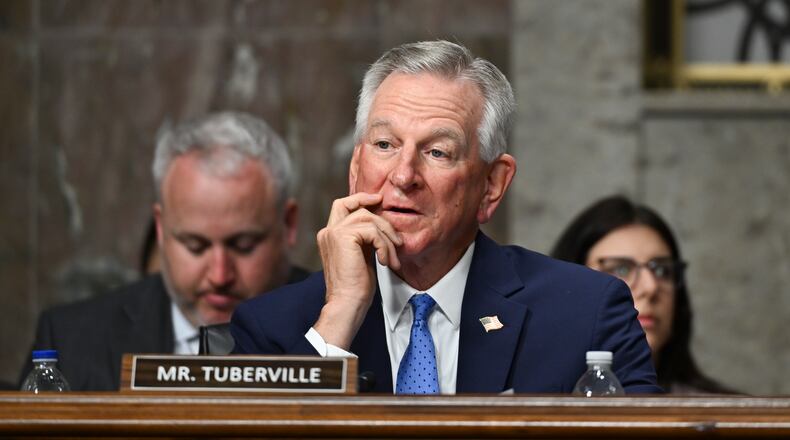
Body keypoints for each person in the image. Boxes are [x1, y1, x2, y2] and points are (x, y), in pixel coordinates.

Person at [231, 41, 661, 395]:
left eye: (437, 152)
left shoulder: (586, 316)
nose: (403, 175)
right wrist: (340, 314)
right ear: (355, 168)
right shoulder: (274, 329)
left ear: (492, 184)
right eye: (384, 145)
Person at [21, 112, 308, 391]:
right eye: (195, 246)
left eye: (243, 245)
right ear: (160, 227)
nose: (220, 275)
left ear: (289, 223)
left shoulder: (341, 321)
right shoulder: (71, 340)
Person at [551, 195, 734, 394]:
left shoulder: (726, 414)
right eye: (620, 269)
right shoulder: (526, 401)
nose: (651, 287)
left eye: (662, 270)